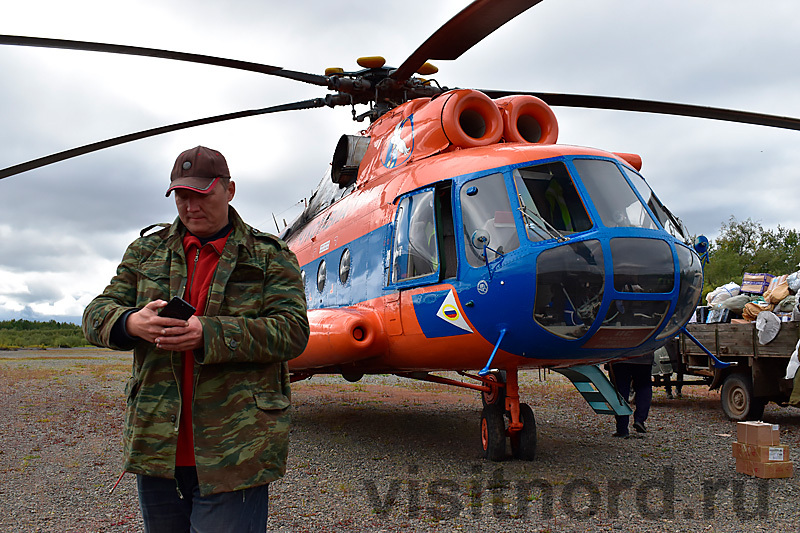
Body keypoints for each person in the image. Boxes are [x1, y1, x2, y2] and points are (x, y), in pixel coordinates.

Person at [82, 146, 309, 532]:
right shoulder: (145, 253)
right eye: (182, 196)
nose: (191, 206)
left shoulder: (270, 256)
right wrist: (131, 322)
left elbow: (292, 331)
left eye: (202, 194)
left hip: (234, 449)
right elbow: (94, 314)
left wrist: (210, 333)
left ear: (229, 190)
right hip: (158, 447)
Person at [610, 351, 654, 438]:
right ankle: (640, 419)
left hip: (619, 356)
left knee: (620, 391)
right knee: (643, 387)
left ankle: (622, 428)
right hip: (644, 357)